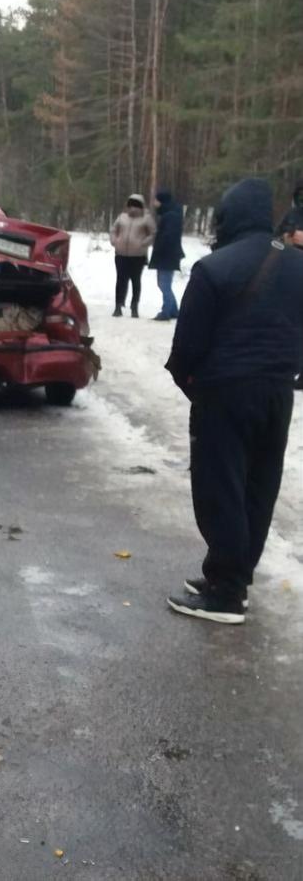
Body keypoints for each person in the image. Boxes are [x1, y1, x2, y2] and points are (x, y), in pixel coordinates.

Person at [164, 178, 303, 625]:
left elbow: (187, 345)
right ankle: (233, 576)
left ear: (227, 217)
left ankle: (225, 592)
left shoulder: (214, 268)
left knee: (219, 486)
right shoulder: (299, 266)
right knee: (258, 486)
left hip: (225, 391)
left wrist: (190, 383)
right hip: (277, 392)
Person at [110, 193, 155, 318]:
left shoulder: (146, 218)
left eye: (136, 205)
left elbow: (153, 233)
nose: (132, 208)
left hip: (138, 255)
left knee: (136, 281)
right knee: (120, 280)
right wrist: (114, 241)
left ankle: (134, 306)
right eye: (130, 205)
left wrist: (143, 243)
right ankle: (118, 305)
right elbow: (113, 230)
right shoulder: (122, 217)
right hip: (121, 254)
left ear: (141, 206)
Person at [150, 189, 185, 321]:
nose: (154, 203)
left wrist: (160, 248)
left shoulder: (170, 216)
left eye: (156, 200)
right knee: (163, 283)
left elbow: (168, 237)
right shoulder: (170, 214)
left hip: (167, 255)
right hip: (167, 254)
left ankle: (166, 311)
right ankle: (173, 310)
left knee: (164, 283)